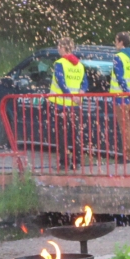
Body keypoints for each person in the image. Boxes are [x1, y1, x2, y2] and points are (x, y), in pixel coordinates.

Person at [47, 37, 85, 170]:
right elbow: (85, 83)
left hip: (60, 103)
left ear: (64, 48)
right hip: (75, 105)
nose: (58, 48)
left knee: (61, 134)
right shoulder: (79, 65)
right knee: (75, 133)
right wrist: (79, 94)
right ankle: (77, 162)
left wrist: (69, 95)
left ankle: (64, 162)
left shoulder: (60, 63)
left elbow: (60, 81)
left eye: (59, 46)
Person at [110, 31, 130, 163]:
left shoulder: (118, 57)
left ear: (121, 42)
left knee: (125, 128)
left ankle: (128, 156)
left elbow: (119, 76)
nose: (115, 44)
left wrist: (126, 90)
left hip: (121, 97)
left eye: (116, 41)